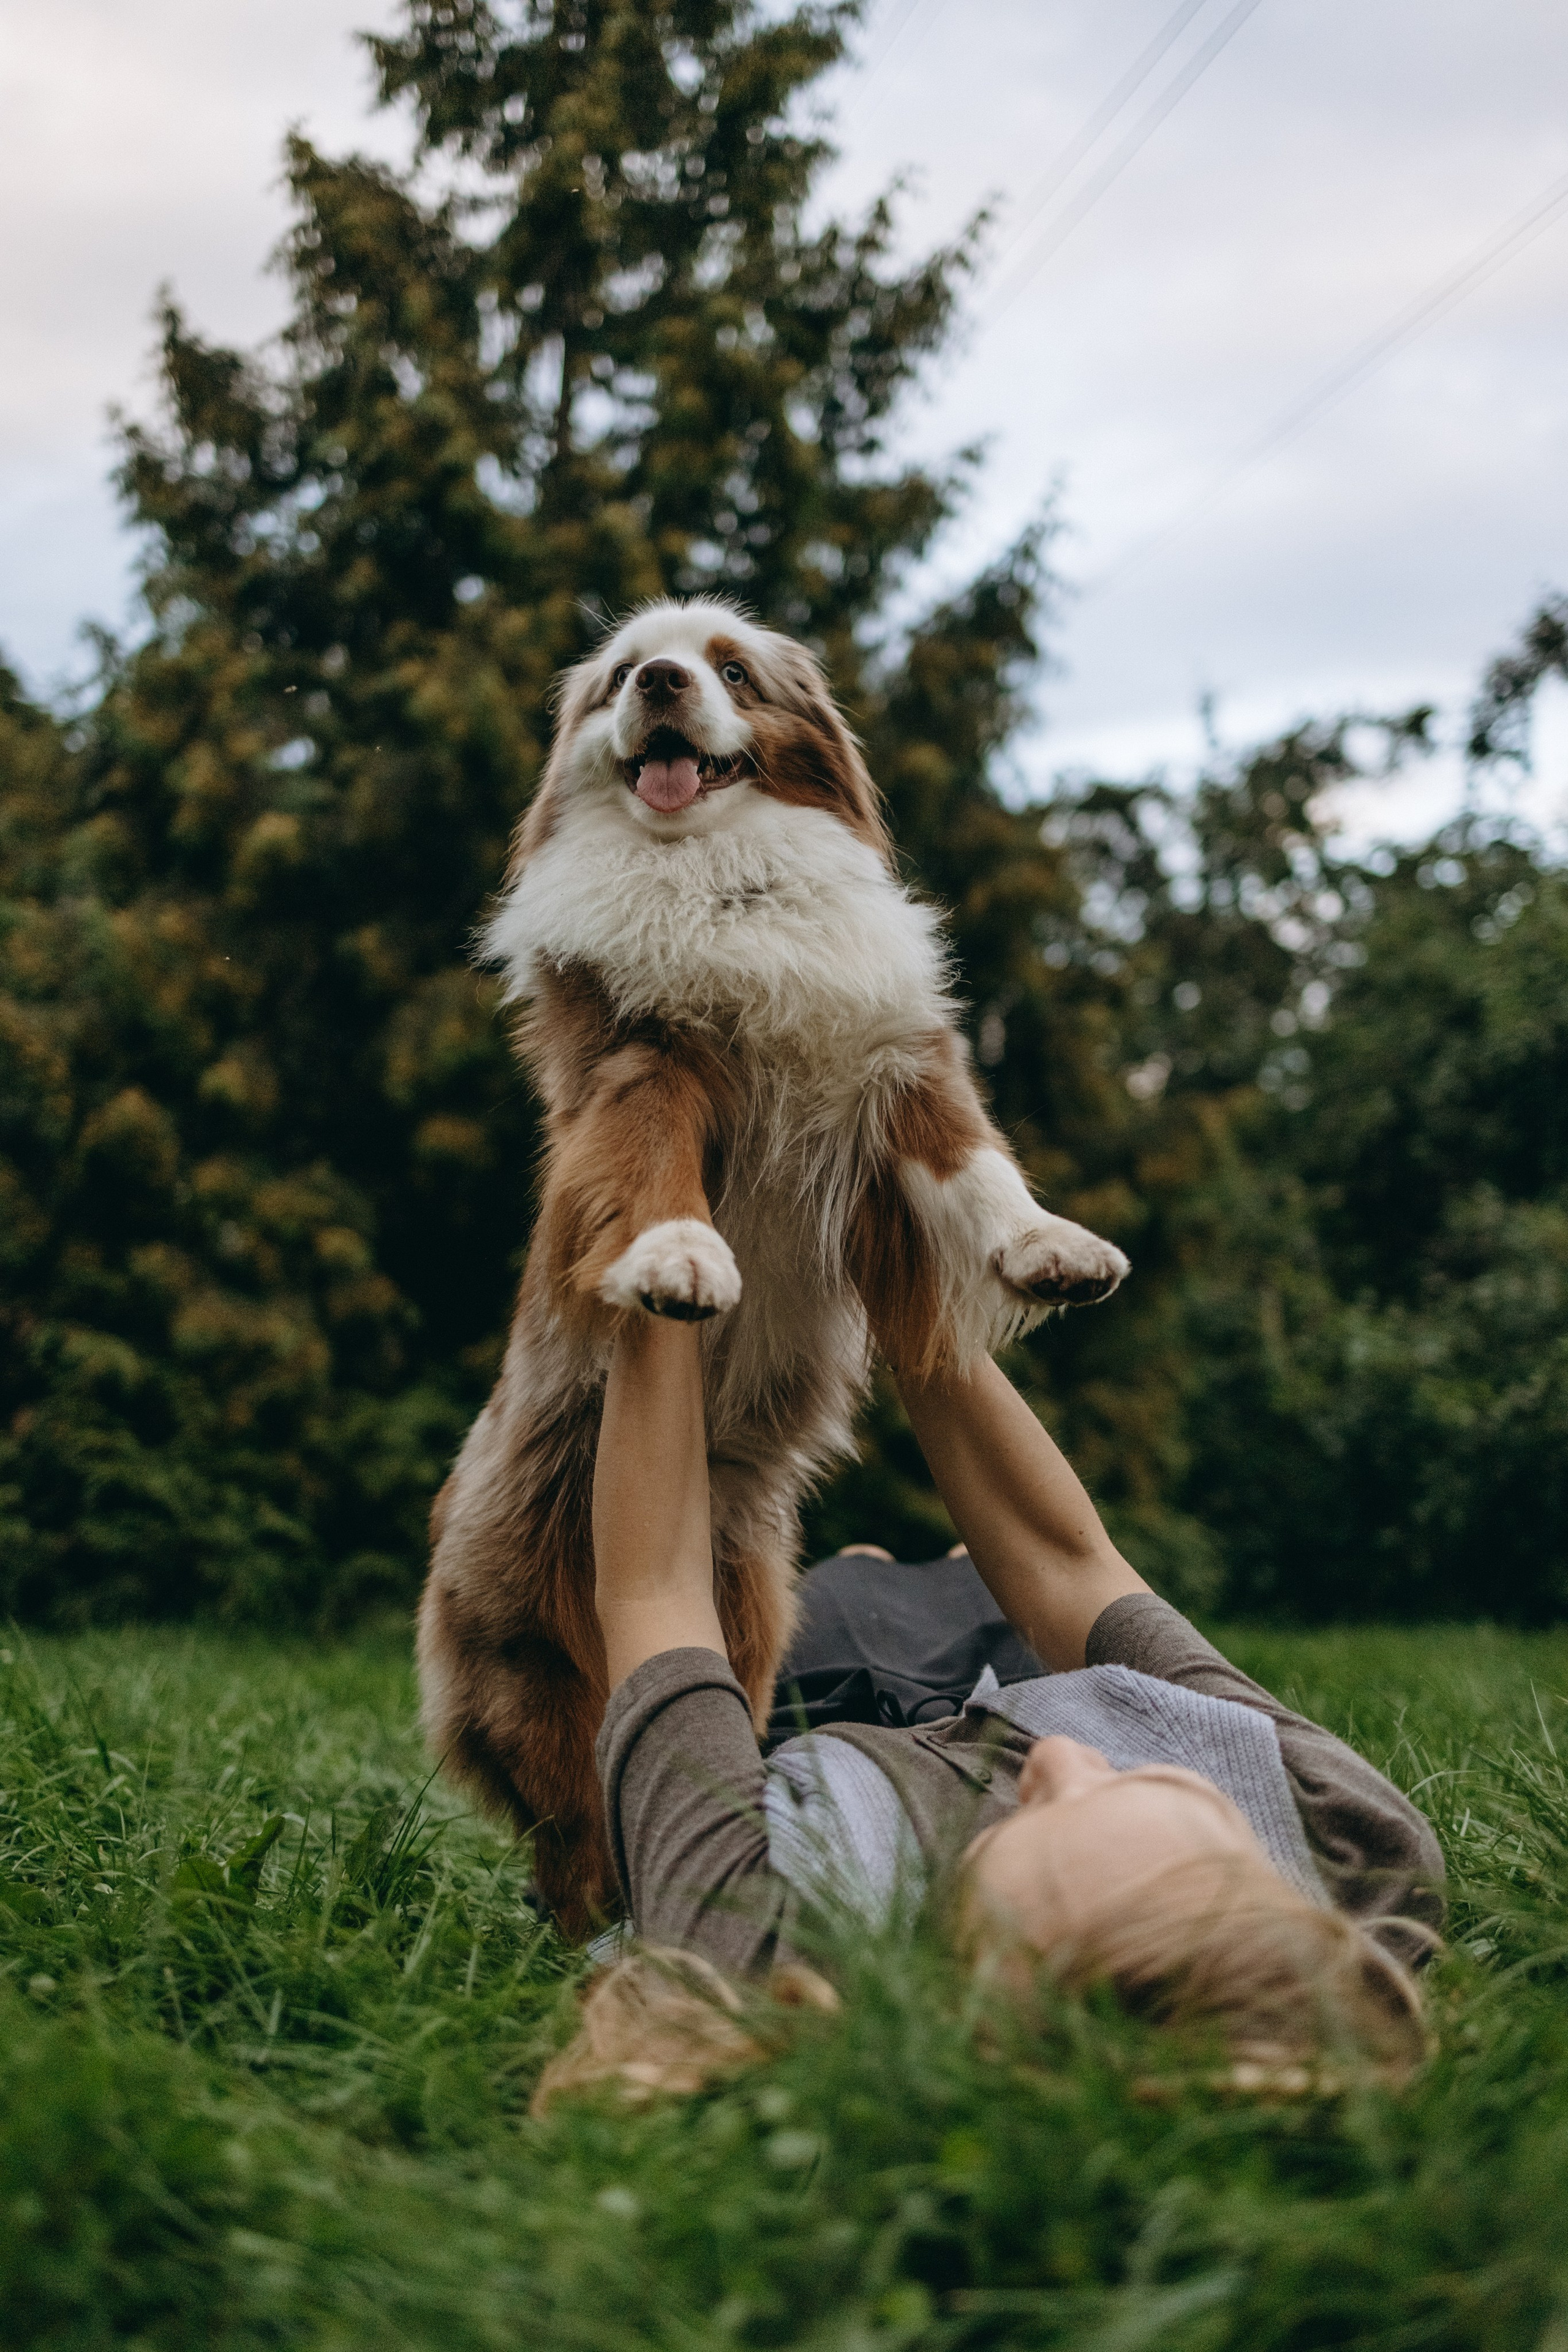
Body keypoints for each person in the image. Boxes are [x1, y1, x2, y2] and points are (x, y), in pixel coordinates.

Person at [534, 1316, 1443, 2110]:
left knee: (853, 1570)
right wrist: (904, 1285)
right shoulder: (1346, 1837)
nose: (1058, 1765)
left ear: (956, 1994)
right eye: (1166, 1792)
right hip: (1036, 1677)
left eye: (1025, 1823)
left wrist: (665, 1283)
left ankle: (874, 1570)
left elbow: (655, 1591)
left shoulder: (755, 1947)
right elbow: (1069, 1568)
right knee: (981, 1566)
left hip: (834, 1737)